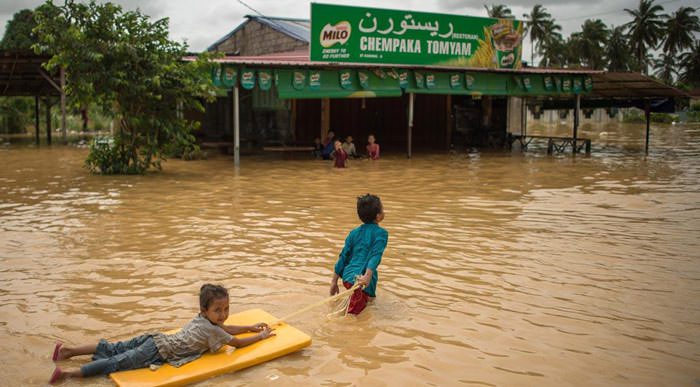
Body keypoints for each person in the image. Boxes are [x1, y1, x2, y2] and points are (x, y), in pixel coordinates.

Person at [48, 284, 275, 384]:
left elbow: (225, 329)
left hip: (155, 338)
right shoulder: (212, 328)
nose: (224, 314)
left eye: (226, 309)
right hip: (157, 350)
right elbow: (236, 343)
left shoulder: (204, 320)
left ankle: (68, 350)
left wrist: (250, 326)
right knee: (115, 363)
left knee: (114, 347)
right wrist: (260, 337)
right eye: (218, 310)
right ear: (205, 310)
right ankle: (69, 375)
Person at [330, 194, 388, 315]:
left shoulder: (354, 233)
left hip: (348, 278)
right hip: (361, 281)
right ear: (378, 216)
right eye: (383, 209)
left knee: (369, 303)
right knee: (352, 318)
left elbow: (343, 256)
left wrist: (334, 282)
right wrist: (367, 277)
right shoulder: (381, 233)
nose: (384, 211)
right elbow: (375, 255)